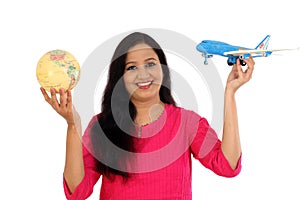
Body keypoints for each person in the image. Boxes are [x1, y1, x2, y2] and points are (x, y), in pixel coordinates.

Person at [40, 32, 255, 200]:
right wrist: (72, 124)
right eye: (132, 67)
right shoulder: (101, 126)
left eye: (151, 64)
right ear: (120, 76)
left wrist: (229, 93)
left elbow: (227, 166)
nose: (143, 74)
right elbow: (77, 192)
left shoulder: (186, 123)